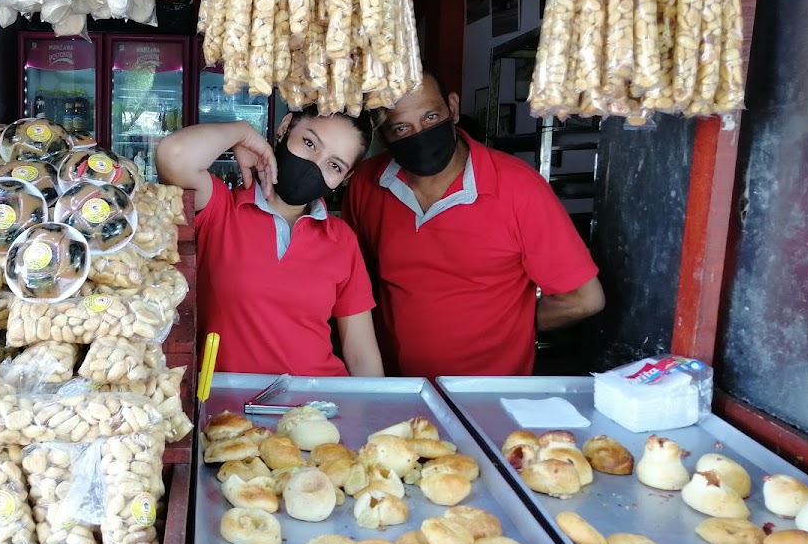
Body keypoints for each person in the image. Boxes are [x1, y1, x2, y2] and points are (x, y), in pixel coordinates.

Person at [343, 68, 604, 378]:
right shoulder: (366, 183)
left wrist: (512, 327)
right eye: (400, 128)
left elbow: (584, 299)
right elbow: (353, 282)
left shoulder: (519, 188)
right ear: (382, 134)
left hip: (487, 395)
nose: (419, 134)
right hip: (393, 389)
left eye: (430, 117)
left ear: (452, 108)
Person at [156, 107, 384, 378]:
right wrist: (241, 133)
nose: (314, 165)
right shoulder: (222, 208)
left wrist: (373, 412)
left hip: (318, 405)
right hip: (227, 405)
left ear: (344, 178)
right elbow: (174, 155)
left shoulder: (341, 238)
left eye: (334, 165)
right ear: (285, 127)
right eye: (309, 143)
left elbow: (361, 353)